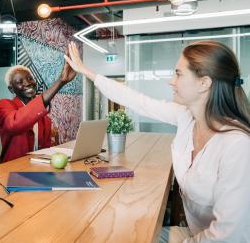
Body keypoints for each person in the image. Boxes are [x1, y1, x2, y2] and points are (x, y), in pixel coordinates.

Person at [64, 41, 250, 242]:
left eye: (178, 74)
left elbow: (229, 236)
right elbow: (137, 101)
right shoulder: (186, 117)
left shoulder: (237, 146)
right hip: (194, 234)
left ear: (204, 83)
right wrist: (86, 72)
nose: (171, 81)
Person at [0, 46, 76, 162]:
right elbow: (15, 123)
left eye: (30, 78)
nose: (28, 83)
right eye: (20, 82)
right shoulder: (3, 105)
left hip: (38, 167)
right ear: (11, 89)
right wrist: (61, 81)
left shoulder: (44, 117)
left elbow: (46, 150)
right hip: (13, 170)